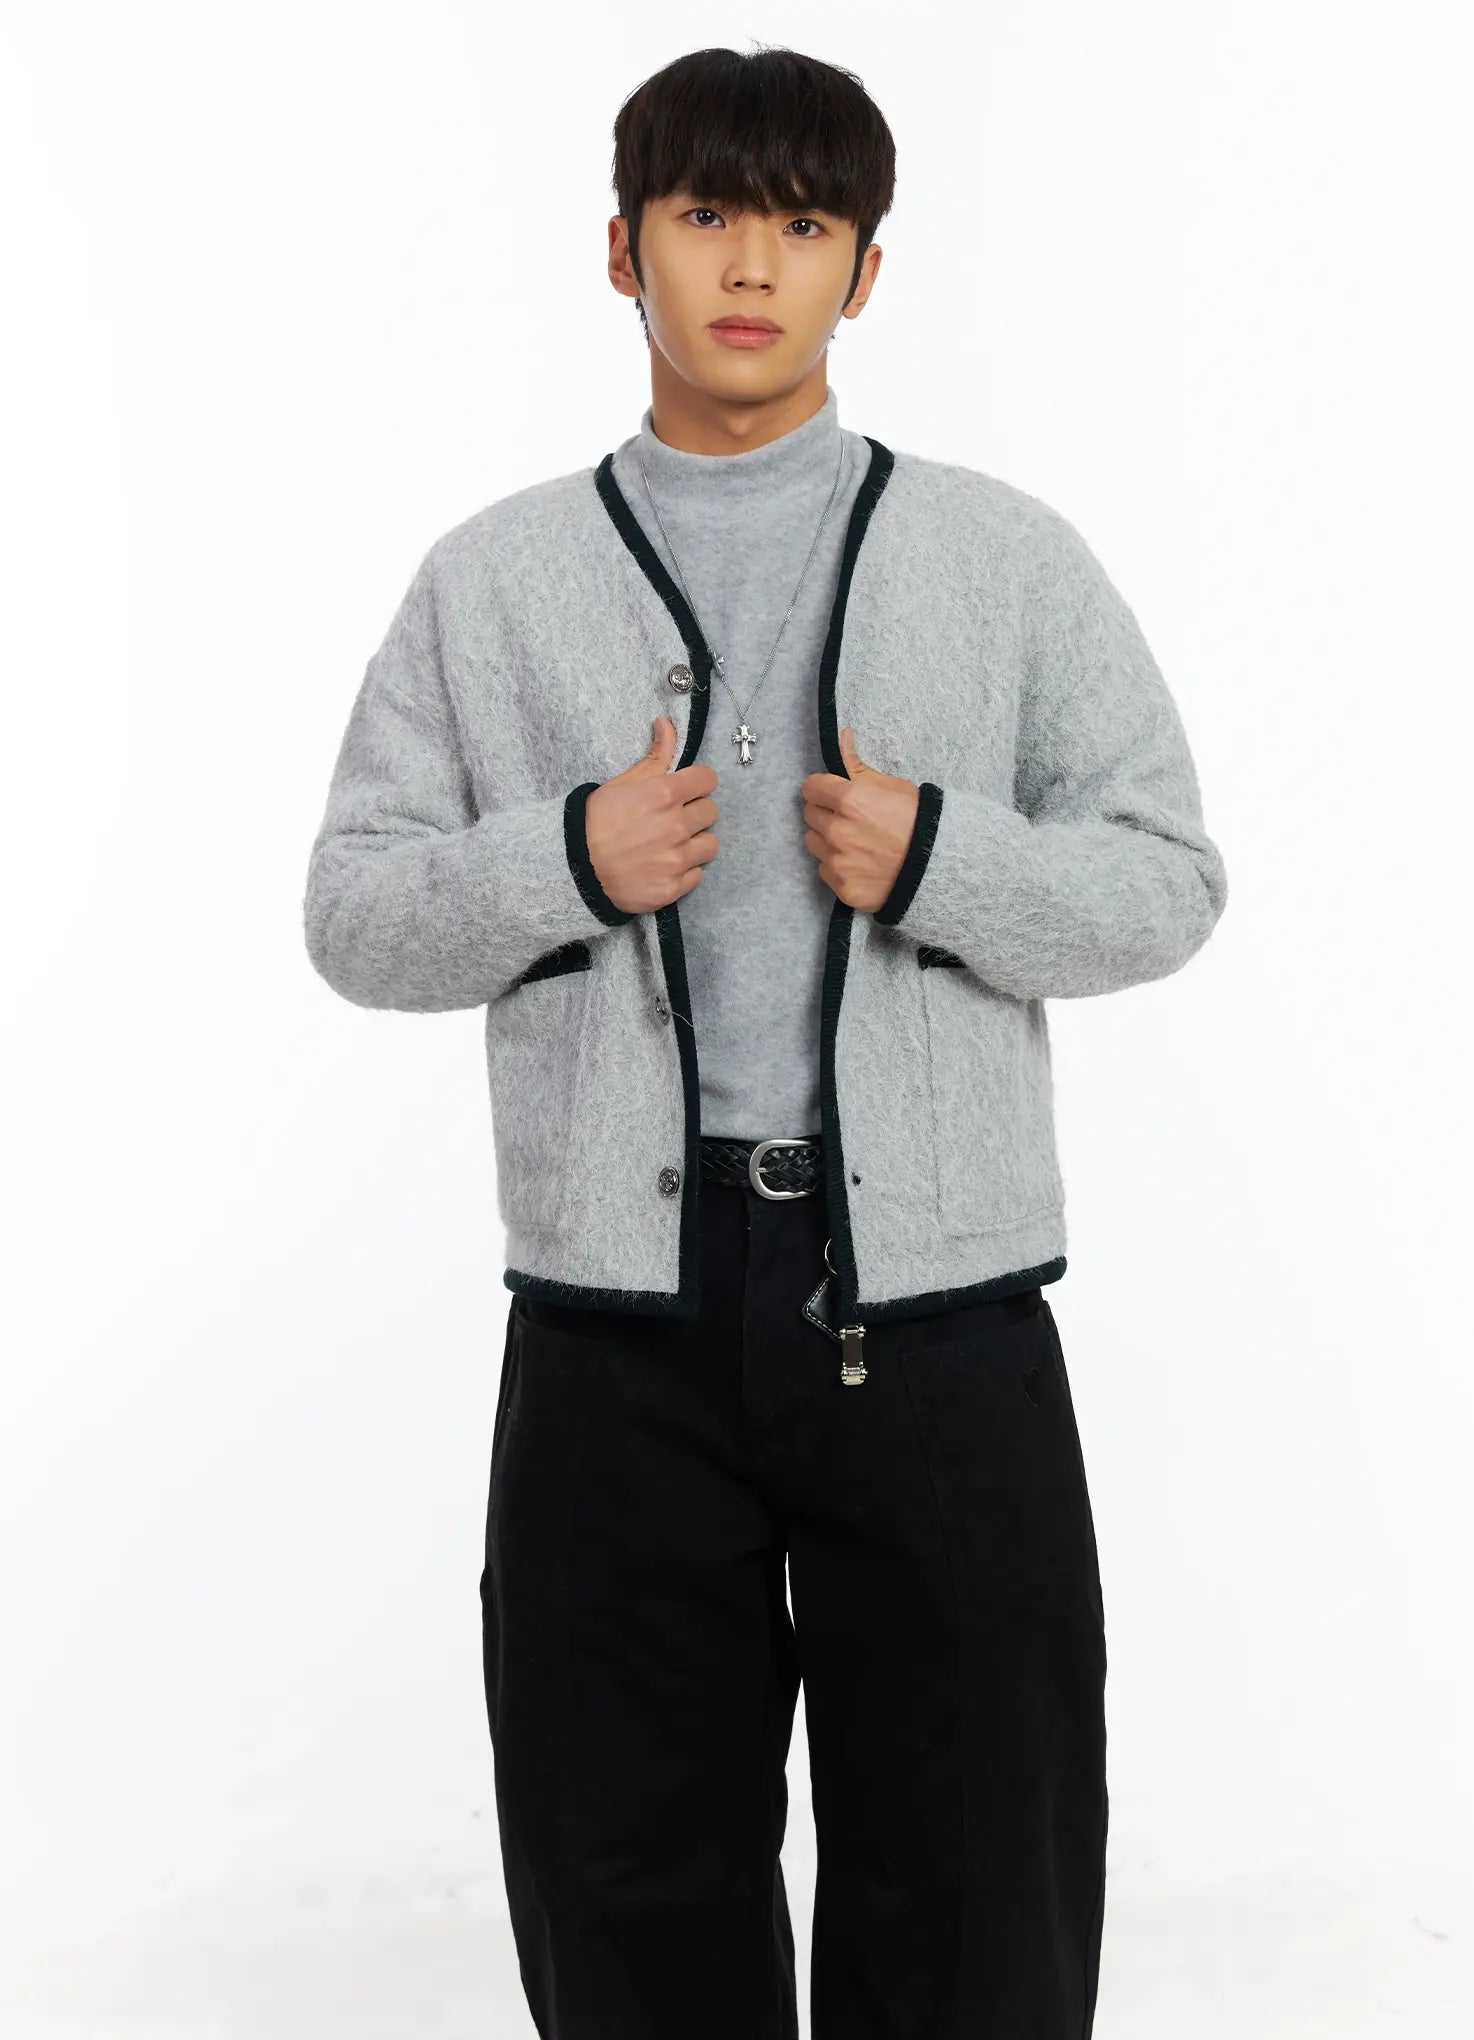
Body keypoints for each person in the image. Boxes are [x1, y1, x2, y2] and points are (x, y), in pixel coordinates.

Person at [303, 42, 1227, 2040]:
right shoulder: (492, 581)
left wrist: (943, 858)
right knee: (622, 1877)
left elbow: (1168, 879)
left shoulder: (1003, 558)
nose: (749, 266)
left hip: (938, 1309)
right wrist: (565, 857)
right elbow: (354, 918)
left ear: (864, 273)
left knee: (979, 1882)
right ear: (619, 249)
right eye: (706, 214)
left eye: (803, 225)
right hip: (618, 1318)